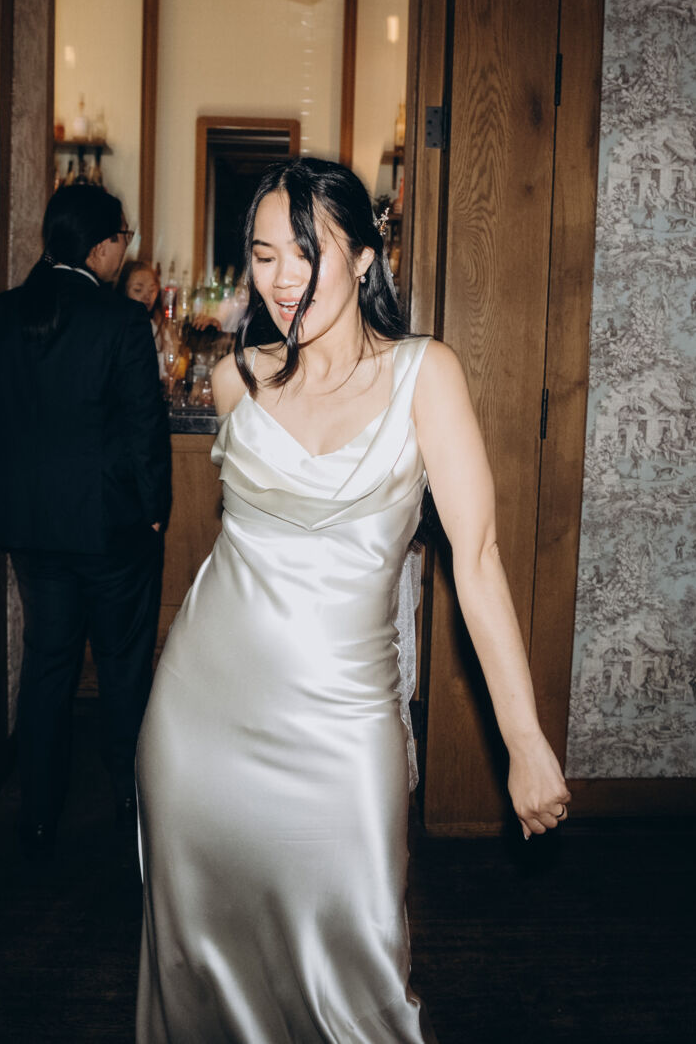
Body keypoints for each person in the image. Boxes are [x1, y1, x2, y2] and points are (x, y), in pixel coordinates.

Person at [135, 157, 571, 1041]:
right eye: (264, 255)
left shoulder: (424, 374)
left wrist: (524, 741)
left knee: (359, 966)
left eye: (307, 251)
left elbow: (478, 560)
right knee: (204, 971)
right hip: (200, 719)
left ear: (367, 257)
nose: (281, 277)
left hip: (344, 726)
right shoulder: (238, 379)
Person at [0, 184, 170, 860]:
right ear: (103, 245)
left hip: (32, 528)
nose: (123, 252)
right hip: (114, 528)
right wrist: (155, 512)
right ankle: (130, 805)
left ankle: (38, 816)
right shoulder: (121, 320)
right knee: (123, 668)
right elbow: (145, 429)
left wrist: (8, 502)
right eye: (122, 239)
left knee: (48, 665)